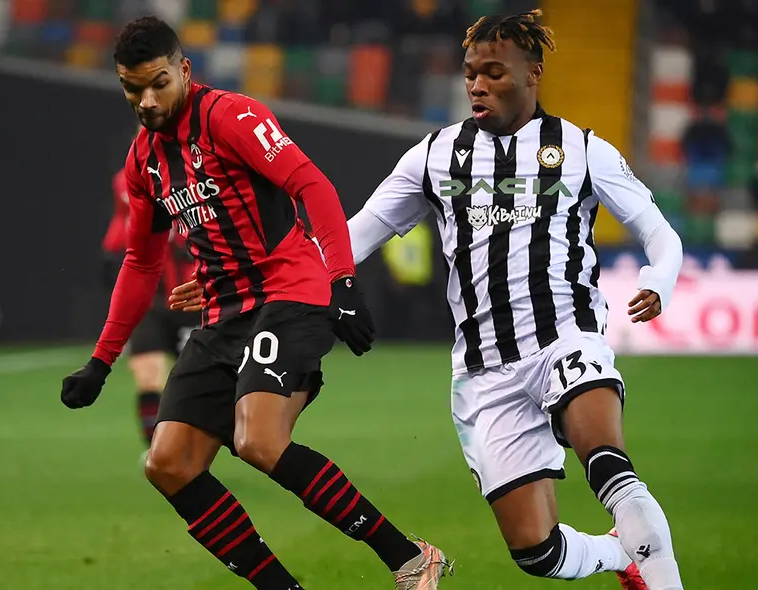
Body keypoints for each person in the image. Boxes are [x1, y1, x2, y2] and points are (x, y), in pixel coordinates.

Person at [172, 9, 685, 590]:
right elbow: (355, 232)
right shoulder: (435, 156)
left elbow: (660, 232)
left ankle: (662, 573)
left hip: (567, 339)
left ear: (533, 73)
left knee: (609, 467)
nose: (478, 85)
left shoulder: (581, 150)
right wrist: (249, 280)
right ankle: (622, 558)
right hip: (485, 371)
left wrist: (657, 280)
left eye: (494, 72)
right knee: (537, 553)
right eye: (470, 73)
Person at [59, 15, 450, 590]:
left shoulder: (232, 116)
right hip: (223, 313)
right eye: (131, 87)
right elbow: (141, 262)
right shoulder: (143, 162)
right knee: (167, 464)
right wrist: (101, 360)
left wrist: (341, 281)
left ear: (184, 70)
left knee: (258, 440)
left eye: (158, 82)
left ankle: (411, 558)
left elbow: (311, 186)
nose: (145, 100)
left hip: (289, 293)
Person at [100, 152, 200, 448]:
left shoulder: (201, 173)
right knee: (147, 373)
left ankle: (195, 448)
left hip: (194, 298)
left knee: (196, 383)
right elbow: (121, 231)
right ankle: (156, 451)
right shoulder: (125, 181)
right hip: (152, 302)